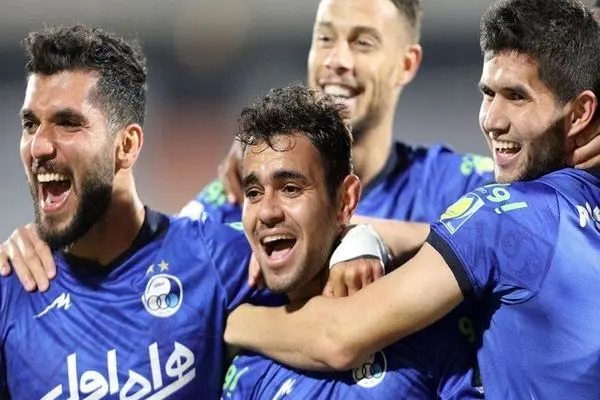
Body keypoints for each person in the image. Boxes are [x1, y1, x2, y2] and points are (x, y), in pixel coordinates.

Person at [223, 0, 600, 399]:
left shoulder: (501, 215)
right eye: (488, 93)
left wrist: (235, 322)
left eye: (517, 97)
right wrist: (362, 235)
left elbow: (339, 337)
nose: (492, 120)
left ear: (581, 113)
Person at [2, 24, 284, 399]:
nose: (38, 146)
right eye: (30, 124)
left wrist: (354, 249)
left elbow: (338, 336)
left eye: (67, 124)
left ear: (127, 145)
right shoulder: (11, 292)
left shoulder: (219, 261)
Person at [222, 83, 482, 399]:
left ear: (346, 200)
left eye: (290, 189)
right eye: (253, 193)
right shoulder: (246, 370)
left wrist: (366, 237)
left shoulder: (431, 330)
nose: (266, 212)